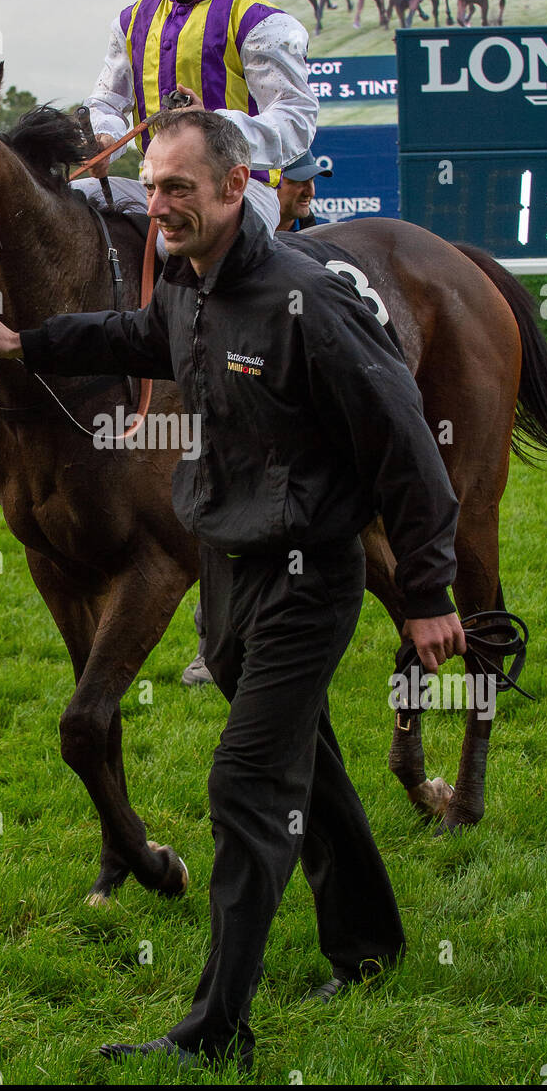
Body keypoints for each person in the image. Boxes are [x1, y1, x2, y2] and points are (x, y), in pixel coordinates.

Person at [0, 111, 465, 1073]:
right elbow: (133, 333)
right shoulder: (190, 291)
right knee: (301, 766)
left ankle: (217, 1026)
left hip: (307, 580)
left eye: (179, 188)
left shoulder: (310, 303)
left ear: (237, 188)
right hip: (225, 575)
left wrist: (430, 594)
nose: (159, 206)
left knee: (243, 783)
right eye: (151, 188)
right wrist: (24, 344)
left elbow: (408, 451)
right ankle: (370, 946)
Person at [75, 0, 318, 239]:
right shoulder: (131, 20)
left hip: (240, 189)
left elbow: (297, 118)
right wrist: (103, 138)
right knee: (61, 204)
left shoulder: (261, 22)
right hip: (155, 189)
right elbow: (105, 102)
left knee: (179, 236)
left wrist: (214, 131)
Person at [179, 145, 333, 687]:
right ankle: (213, 638)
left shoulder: (305, 278)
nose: (308, 191)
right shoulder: (204, 268)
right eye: (299, 182)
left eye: (312, 182)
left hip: (304, 536)